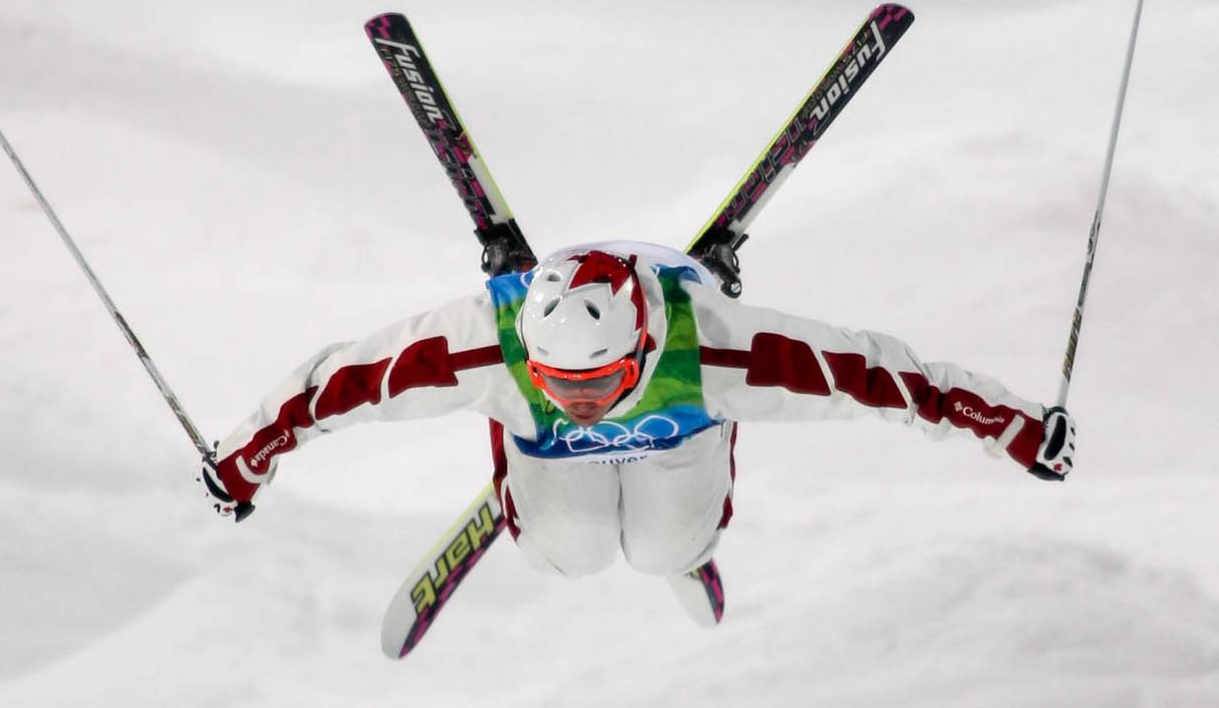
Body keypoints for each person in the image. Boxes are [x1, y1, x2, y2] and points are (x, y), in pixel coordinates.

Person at [200, 240, 1075, 578]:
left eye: (592, 385)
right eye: (555, 382)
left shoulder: (721, 345)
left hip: (681, 428)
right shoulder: (483, 344)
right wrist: (248, 455)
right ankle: (518, 477)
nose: (576, 402)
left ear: (644, 344)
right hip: (547, 454)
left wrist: (1014, 428)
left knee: (667, 555)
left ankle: (680, 507)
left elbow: (886, 379)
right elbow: (337, 384)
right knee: (571, 558)